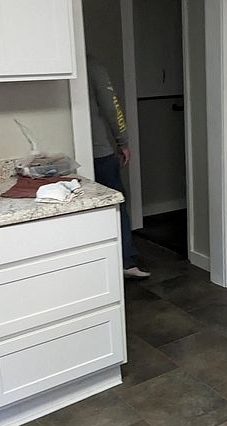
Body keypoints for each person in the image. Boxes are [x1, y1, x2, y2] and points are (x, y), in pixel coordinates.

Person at [87, 56, 150, 279]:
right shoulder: (94, 67)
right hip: (99, 153)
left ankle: (95, 264)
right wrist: (123, 141)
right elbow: (112, 107)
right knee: (115, 204)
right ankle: (125, 261)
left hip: (74, 156)